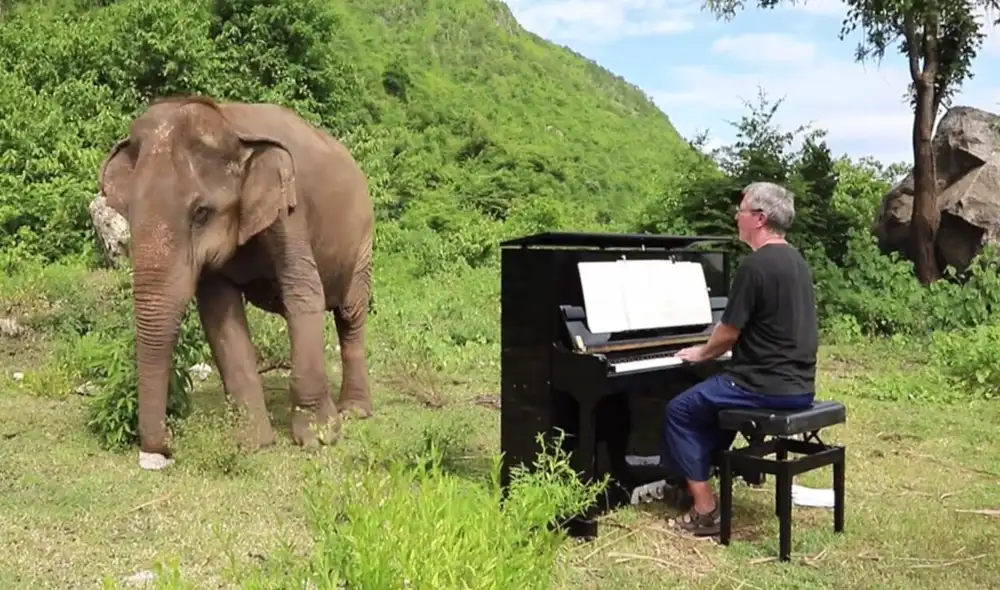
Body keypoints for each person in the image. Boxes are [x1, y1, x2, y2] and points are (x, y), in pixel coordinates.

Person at [659, 181, 819, 537]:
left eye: (742, 210)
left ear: (759, 218)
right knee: (711, 407)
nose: (737, 216)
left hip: (762, 386)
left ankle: (705, 510)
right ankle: (690, 478)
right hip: (799, 385)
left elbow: (728, 333)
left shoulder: (756, 265)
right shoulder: (796, 261)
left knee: (679, 411)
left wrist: (701, 352)